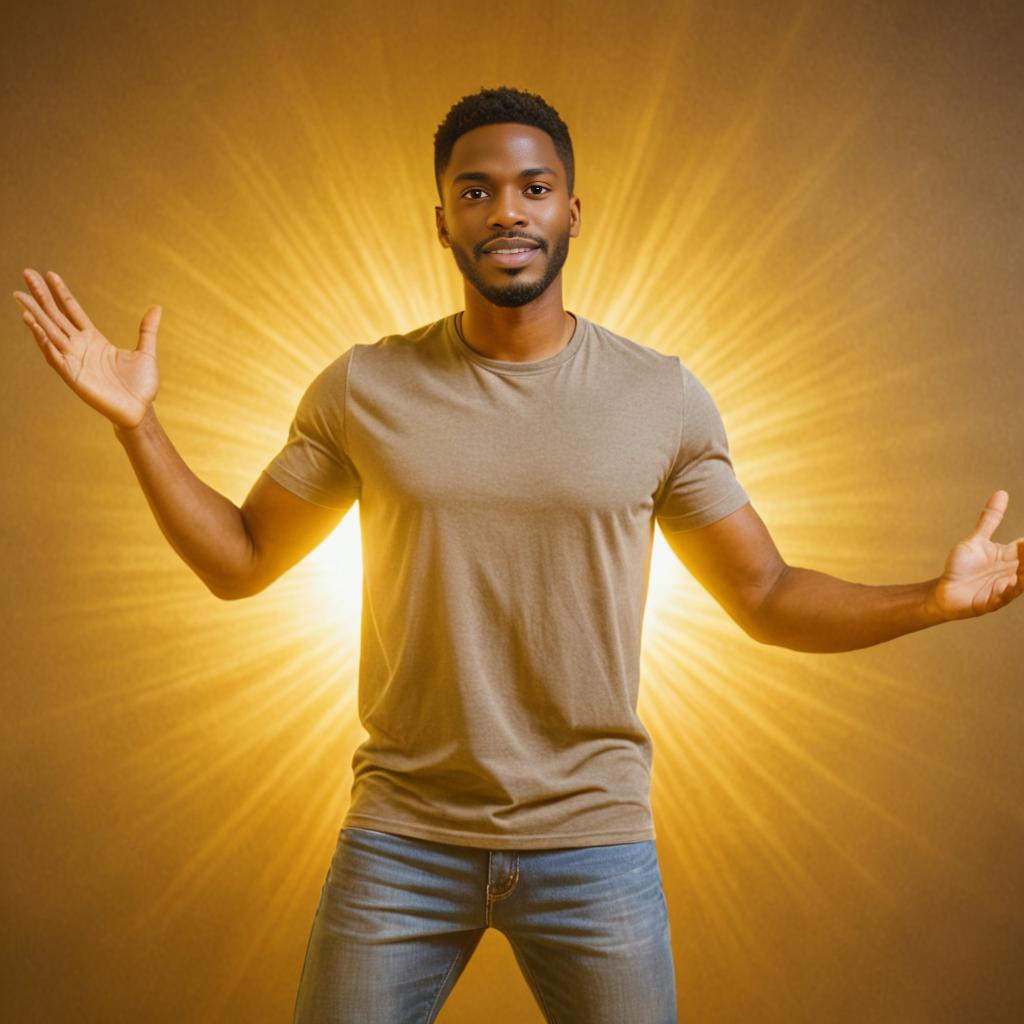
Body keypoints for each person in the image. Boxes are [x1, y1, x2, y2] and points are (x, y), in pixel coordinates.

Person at [13, 85, 1022, 1024]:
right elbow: (237, 561)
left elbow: (765, 594)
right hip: (402, 835)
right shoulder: (363, 386)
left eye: (533, 189)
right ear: (443, 219)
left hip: (594, 841)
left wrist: (929, 601)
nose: (507, 210)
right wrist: (138, 427)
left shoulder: (659, 396)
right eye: (476, 190)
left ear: (572, 212)